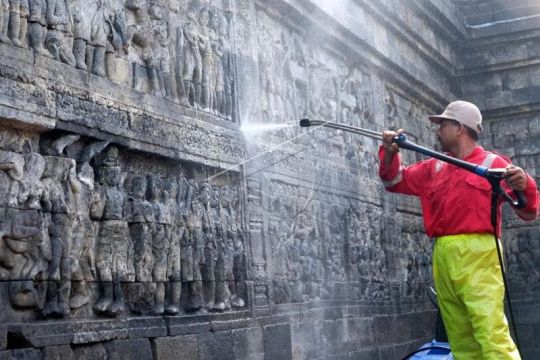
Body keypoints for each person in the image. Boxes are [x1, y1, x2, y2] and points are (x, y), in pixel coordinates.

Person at [379, 100, 539, 359]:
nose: (438, 129)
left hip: (479, 253)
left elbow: (528, 211)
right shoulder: (435, 166)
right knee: (460, 338)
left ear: (460, 128)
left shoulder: (493, 163)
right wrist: (389, 152)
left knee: (490, 331)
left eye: (443, 124)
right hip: (443, 253)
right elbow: (394, 180)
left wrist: (525, 183)